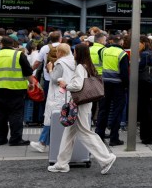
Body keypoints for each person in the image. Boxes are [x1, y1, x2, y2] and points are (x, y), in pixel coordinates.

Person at [48, 44, 117, 174]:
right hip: (84, 103)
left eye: (74, 52)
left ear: (78, 53)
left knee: (85, 133)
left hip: (80, 104)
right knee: (69, 134)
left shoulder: (80, 67)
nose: (73, 54)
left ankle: (106, 158)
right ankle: (61, 164)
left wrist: (65, 85)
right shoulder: (88, 66)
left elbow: (77, 86)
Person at [0, 35, 34, 145]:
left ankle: (1, 139)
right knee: (16, 114)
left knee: (1, 115)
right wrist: (31, 83)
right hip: (16, 89)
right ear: (12, 44)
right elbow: (28, 72)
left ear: (1, 44)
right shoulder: (18, 55)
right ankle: (15, 139)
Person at [30, 43, 77, 153]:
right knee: (61, 119)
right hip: (68, 93)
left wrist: (50, 69)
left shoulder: (60, 63)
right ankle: (45, 142)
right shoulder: (73, 62)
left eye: (57, 51)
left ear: (60, 52)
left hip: (58, 94)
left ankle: (42, 143)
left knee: (51, 118)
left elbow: (55, 79)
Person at [95, 33, 128, 146]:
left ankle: (99, 135)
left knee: (103, 110)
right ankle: (114, 138)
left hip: (105, 84)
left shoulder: (103, 51)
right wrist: (126, 86)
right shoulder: (122, 54)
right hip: (118, 85)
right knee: (117, 111)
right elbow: (124, 73)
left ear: (111, 41)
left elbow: (101, 59)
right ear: (121, 42)